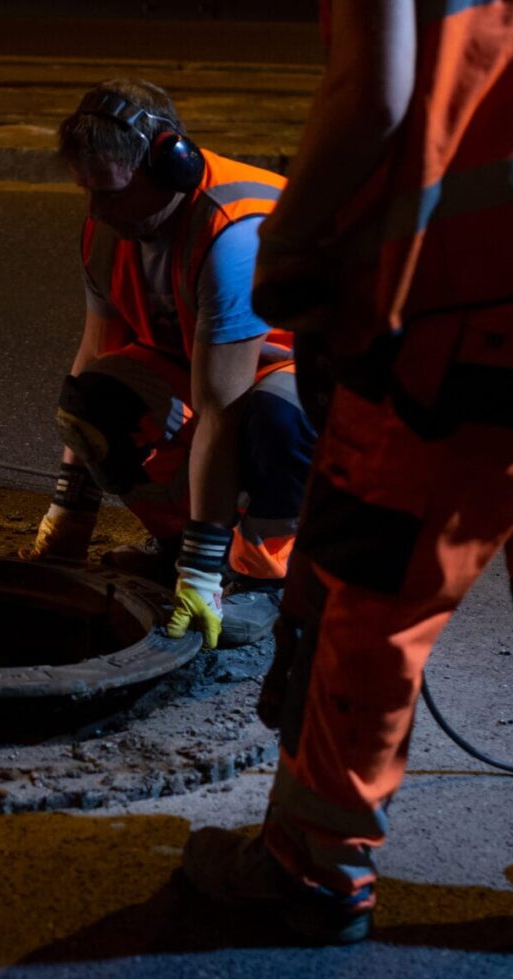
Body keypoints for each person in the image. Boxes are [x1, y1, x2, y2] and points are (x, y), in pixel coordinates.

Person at [181, 0, 513, 947]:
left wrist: (288, 245)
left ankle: (312, 868)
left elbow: (372, 95)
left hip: (493, 288)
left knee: (377, 584)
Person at [22, 80, 317, 650]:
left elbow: (221, 409)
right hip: (221, 370)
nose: (96, 210)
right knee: (95, 401)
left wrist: (200, 573)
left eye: (109, 191)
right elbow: (94, 359)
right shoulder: (108, 230)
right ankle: (183, 549)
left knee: (274, 415)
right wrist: (70, 510)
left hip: (321, 383)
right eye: (86, 190)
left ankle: (265, 576)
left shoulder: (233, 233)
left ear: (170, 167)